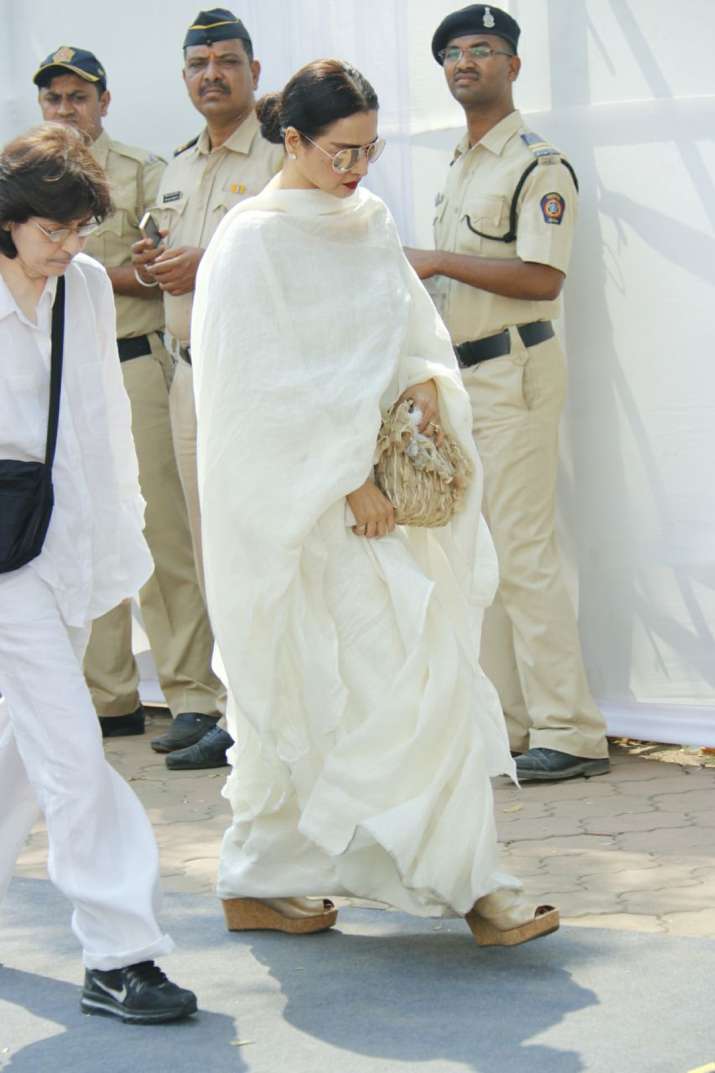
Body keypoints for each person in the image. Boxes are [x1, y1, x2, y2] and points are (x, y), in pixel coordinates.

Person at [191, 59, 559, 945]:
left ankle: (467, 880)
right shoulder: (250, 240)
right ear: (291, 140)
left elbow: (403, 330)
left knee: (417, 675)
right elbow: (253, 387)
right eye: (339, 152)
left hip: (382, 506)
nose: (356, 169)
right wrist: (345, 479)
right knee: (302, 686)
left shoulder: (368, 221)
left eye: (369, 150)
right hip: (304, 510)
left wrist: (426, 383)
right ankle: (263, 877)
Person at [0, 124, 196, 1022]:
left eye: (79, 230)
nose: (70, 248)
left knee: (23, 740)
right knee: (74, 748)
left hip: (64, 540)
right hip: (4, 563)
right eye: (52, 232)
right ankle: (120, 952)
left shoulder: (80, 287)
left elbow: (102, 423)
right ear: (7, 221)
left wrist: (115, 545)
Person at [405, 4, 610, 782]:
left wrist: (436, 262)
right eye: (453, 53)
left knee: (523, 551)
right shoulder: (461, 162)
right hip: (465, 376)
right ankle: (511, 725)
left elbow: (542, 276)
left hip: (516, 369)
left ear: (513, 66)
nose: (465, 63)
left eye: (482, 50)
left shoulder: (536, 163)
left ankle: (570, 727)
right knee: (477, 556)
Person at [34, 45, 225, 750]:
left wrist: (66, 266)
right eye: (53, 98)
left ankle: (191, 694)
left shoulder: (144, 173)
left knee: (158, 534)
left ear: (103, 102)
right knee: (71, 535)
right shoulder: (19, 174)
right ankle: (106, 695)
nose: (65, 110)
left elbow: (161, 276)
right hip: (49, 376)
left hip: (129, 364)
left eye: (78, 97)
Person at [132, 8, 283, 769]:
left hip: (254, 377)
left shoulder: (283, 156)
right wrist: (154, 258)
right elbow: (168, 256)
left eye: (226, 61)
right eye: (197, 64)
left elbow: (299, 257)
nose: (211, 75)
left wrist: (209, 261)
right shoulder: (179, 165)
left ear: (254, 71)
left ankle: (267, 711)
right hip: (189, 377)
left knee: (259, 544)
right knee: (207, 548)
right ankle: (225, 703)